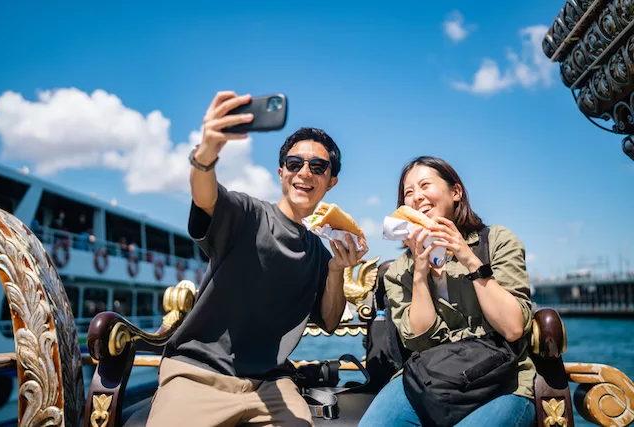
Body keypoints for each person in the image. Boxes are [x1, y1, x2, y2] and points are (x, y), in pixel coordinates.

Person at [146, 91, 368, 427]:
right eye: (295, 164)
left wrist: (337, 270)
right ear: (281, 173)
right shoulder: (248, 214)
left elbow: (331, 320)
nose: (304, 172)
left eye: (318, 167)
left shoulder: (321, 252)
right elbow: (206, 197)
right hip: (198, 373)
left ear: (330, 182)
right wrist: (206, 153)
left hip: (271, 382)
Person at [358, 156, 535, 427]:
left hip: (502, 379)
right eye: (408, 193)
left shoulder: (497, 241)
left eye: (425, 185)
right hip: (429, 378)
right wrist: (419, 273)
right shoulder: (399, 271)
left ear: (455, 192)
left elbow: (512, 328)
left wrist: (468, 258)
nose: (417, 197)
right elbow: (419, 342)